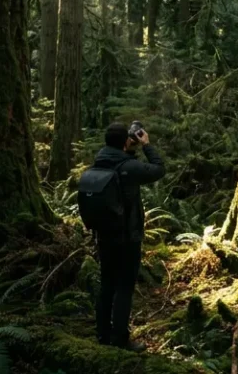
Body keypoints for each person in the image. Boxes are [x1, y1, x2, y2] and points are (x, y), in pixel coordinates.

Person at [92, 122, 165, 351]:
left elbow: (122, 163)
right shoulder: (130, 167)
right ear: (125, 142)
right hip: (128, 238)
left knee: (107, 285)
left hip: (104, 236)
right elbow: (158, 169)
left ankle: (102, 334)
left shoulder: (99, 162)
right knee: (124, 287)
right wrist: (145, 145)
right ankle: (120, 339)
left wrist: (128, 147)